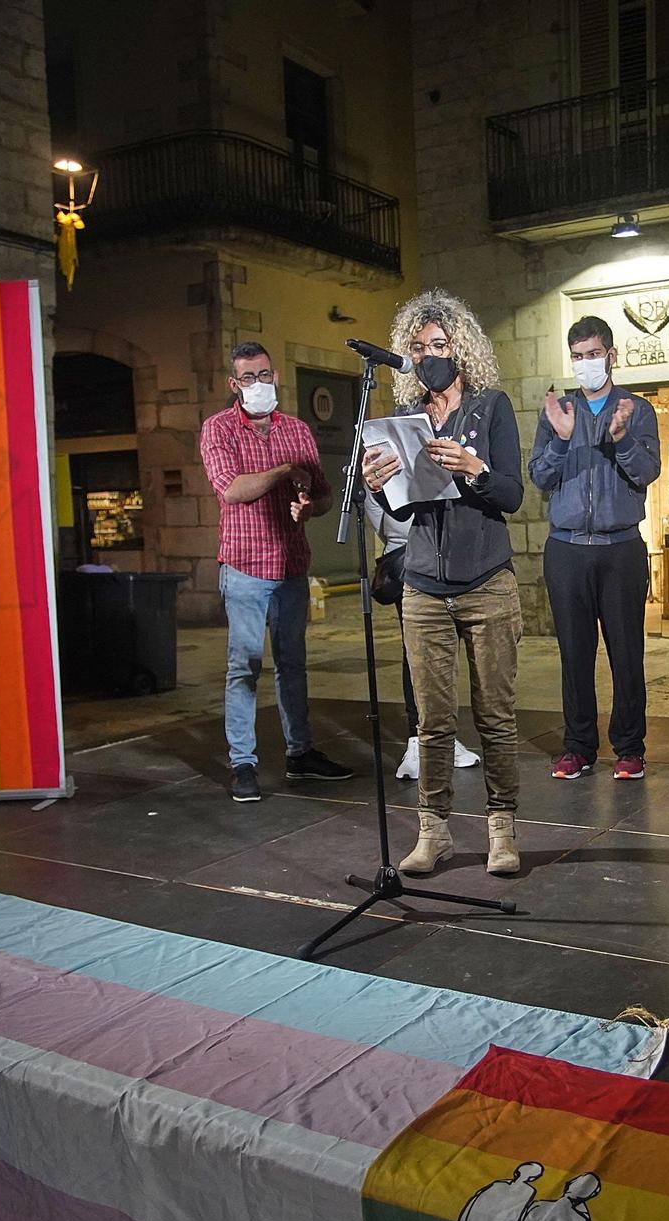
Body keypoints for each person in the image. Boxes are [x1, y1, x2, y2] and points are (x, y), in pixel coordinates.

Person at [364, 289, 527, 876]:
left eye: (439, 344)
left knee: (496, 716)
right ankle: (433, 833)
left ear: (461, 348)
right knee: (432, 721)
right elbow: (404, 513)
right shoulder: (406, 423)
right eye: (419, 347)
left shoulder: (491, 407)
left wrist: (475, 469)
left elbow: (511, 494)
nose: (429, 355)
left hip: (487, 581)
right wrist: (381, 483)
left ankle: (502, 831)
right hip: (425, 584)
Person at [199, 340, 353, 802]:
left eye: (265, 375)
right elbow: (232, 490)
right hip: (245, 569)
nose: (259, 384)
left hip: (290, 568)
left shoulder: (299, 430)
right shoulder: (218, 429)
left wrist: (311, 507)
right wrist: (285, 470)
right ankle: (243, 763)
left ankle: (300, 753)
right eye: (248, 378)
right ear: (234, 384)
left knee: (293, 665)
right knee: (243, 667)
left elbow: (324, 494)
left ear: (276, 378)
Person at [531, 315, 662, 781]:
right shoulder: (557, 411)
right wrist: (563, 441)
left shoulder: (636, 409)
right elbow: (540, 477)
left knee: (627, 653)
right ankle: (578, 747)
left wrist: (622, 439)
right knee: (574, 653)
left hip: (620, 548)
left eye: (593, 354)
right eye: (577, 357)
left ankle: (629, 748)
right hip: (566, 550)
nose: (586, 364)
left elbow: (647, 472)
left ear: (611, 355)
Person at [366, 490, 481, 781]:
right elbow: (381, 513)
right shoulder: (383, 448)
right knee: (416, 649)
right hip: (407, 554)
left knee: (445, 649)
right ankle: (417, 740)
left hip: (450, 553)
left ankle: (443, 737)